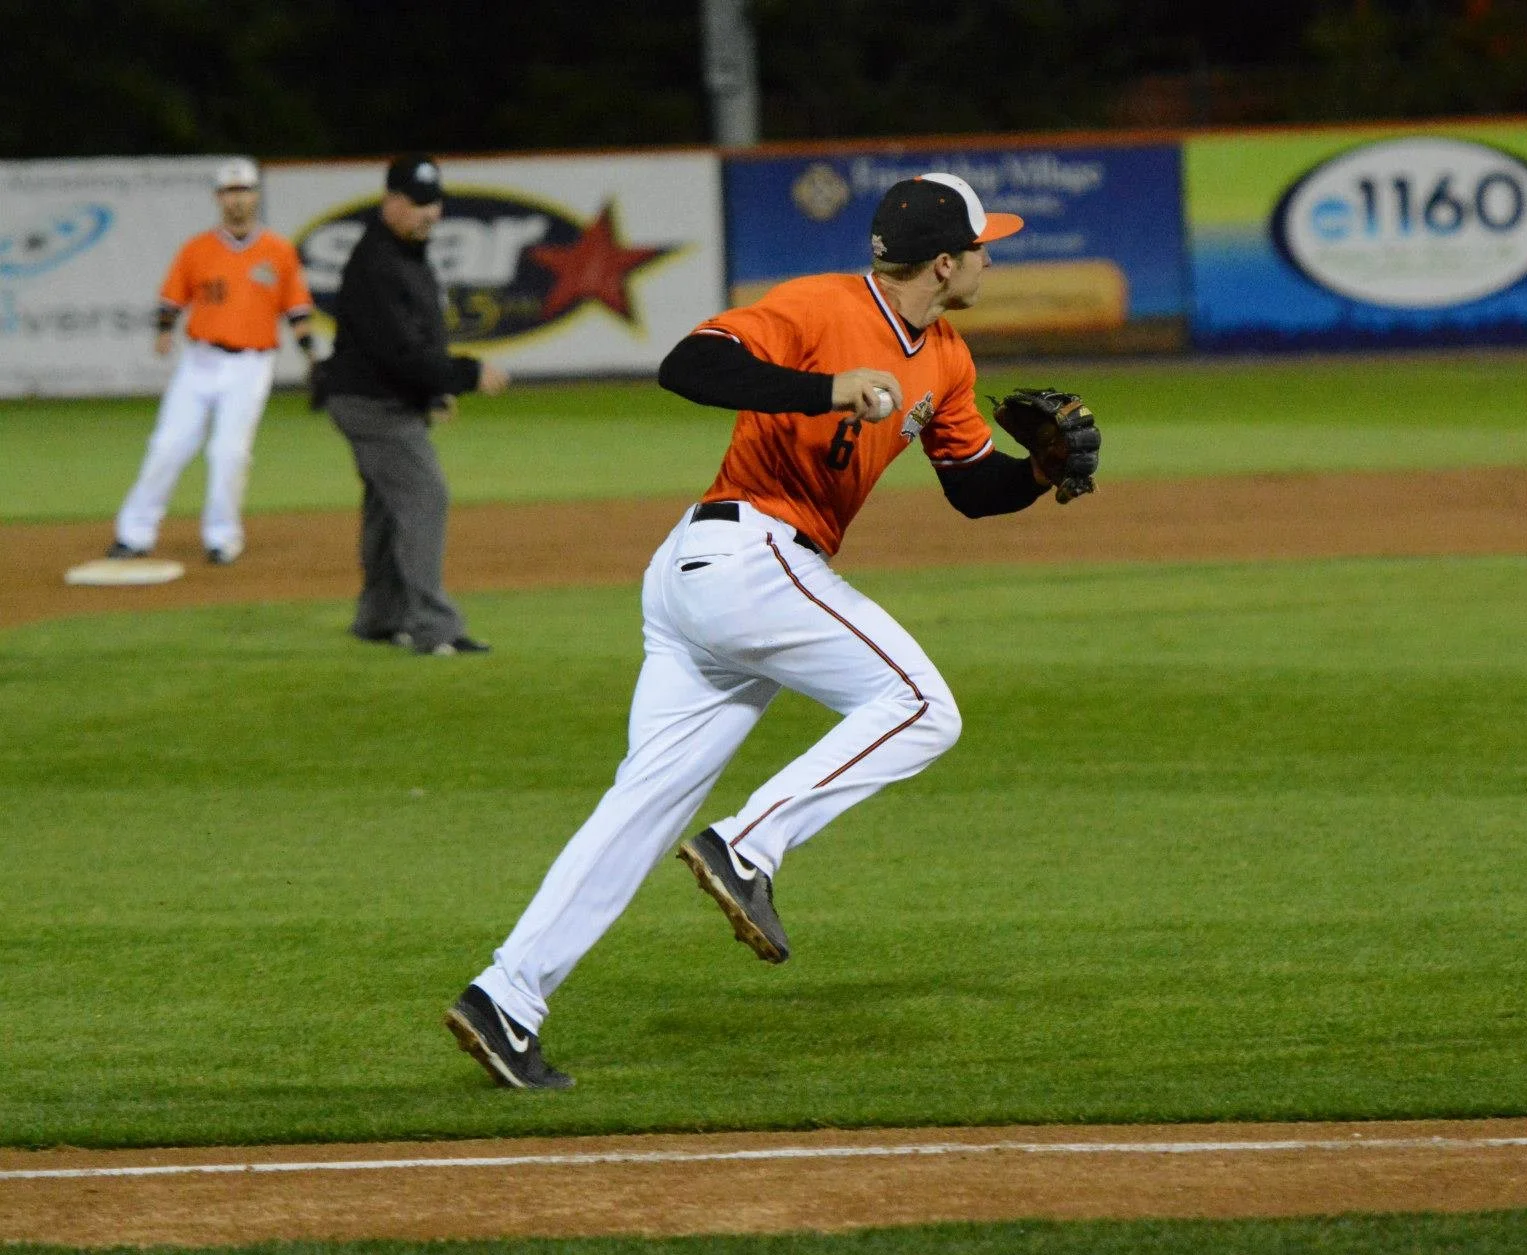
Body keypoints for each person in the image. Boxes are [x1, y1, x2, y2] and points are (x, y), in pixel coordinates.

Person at [444, 174, 1101, 1089]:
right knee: (922, 707)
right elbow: (689, 365)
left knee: (643, 808)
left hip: (719, 582)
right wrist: (826, 388)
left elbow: (970, 488)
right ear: (945, 261)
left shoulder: (947, 358)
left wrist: (1037, 474)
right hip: (744, 557)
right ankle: (748, 844)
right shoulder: (819, 307)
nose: (994, 255)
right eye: (986, 244)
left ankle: (505, 998)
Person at [320, 155, 509, 655]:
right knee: (426, 497)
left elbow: (417, 338)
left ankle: (380, 617)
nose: (429, 213)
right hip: (370, 401)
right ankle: (431, 626)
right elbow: (398, 350)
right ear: (392, 202)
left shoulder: (404, 250)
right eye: (418, 203)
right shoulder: (378, 262)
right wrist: (466, 374)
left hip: (379, 395)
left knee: (388, 506)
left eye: (435, 203)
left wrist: (434, 391)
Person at [107, 157, 314, 566]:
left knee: (228, 452)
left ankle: (223, 537)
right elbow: (172, 298)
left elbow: (296, 310)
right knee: (167, 445)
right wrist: (165, 331)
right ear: (218, 198)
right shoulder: (197, 249)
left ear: (256, 195)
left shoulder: (278, 251)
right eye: (229, 191)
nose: (237, 199)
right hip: (200, 360)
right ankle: (135, 533)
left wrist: (313, 357)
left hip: (251, 366)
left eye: (244, 190)